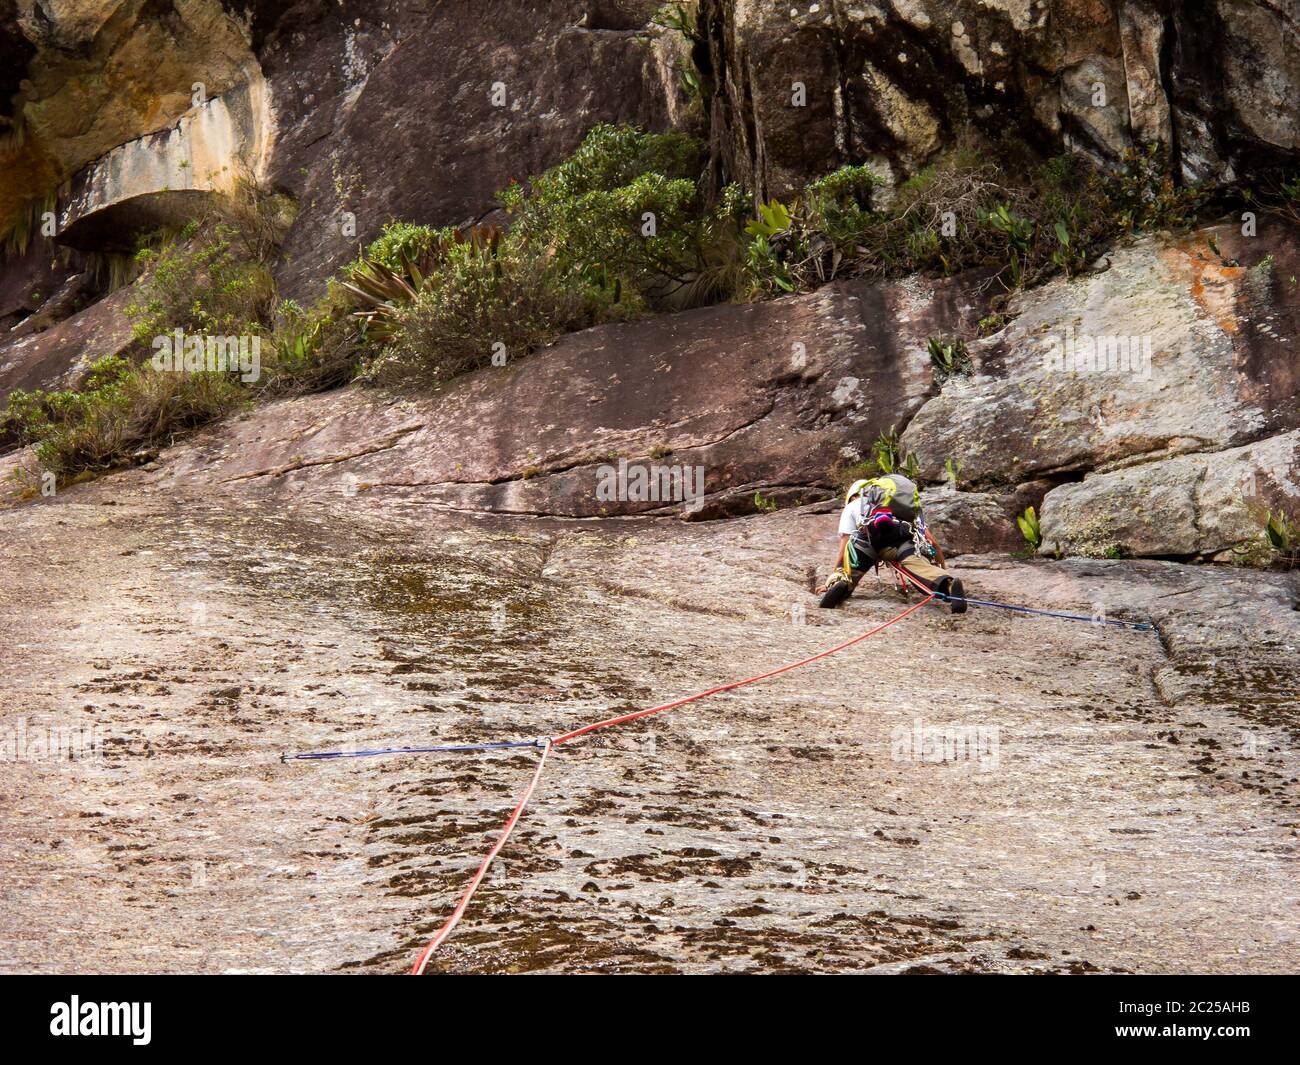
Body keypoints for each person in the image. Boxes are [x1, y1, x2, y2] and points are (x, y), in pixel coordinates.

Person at [816, 475, 966, 612]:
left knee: (848, 570)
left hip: (868, 539)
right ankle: (948, 584)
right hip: (901, 538)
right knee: (919, 567)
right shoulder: (902, 507)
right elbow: (932, 542)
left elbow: (845, 546)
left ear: (853, 496)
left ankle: (839, 585)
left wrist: (834, 573)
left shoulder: (853, 506)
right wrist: (943, 571)